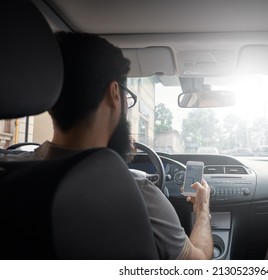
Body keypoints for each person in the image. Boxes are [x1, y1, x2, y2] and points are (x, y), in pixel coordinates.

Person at [21, 31, 213, 260]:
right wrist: (202, 210)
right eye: (126, 96)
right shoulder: (136, 193)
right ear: (114, 94)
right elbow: (197, 265)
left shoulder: (12, 171)